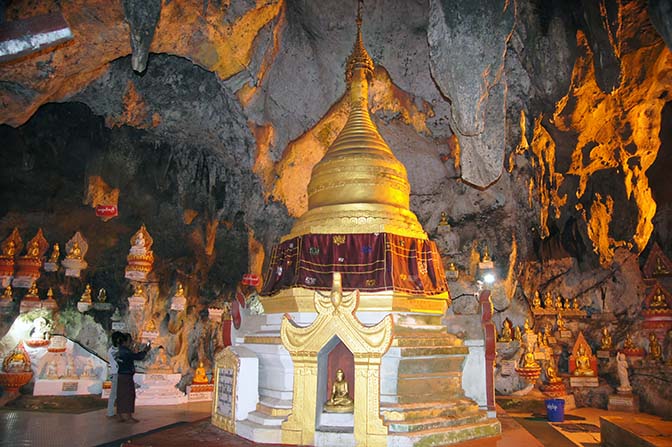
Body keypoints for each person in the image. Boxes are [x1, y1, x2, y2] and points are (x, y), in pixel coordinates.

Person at [115, 333, 150, 422]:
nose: (131, 343)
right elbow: (138, 357)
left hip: (121, 375)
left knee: (121, 395)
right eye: (130, 341)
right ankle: (127, 416)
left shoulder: (119, 350)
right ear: (126, 341)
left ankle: (121, 415)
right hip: (126, 376)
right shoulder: (125, 351)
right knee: (128, 396)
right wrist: (145, 350)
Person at [107, 331, 123, 418]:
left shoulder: (113, 349)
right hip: (116, 373)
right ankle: (110, 412)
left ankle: (114, 412)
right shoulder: (113, 351)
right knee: (114, 394)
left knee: (116, 394)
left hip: (117, 373)